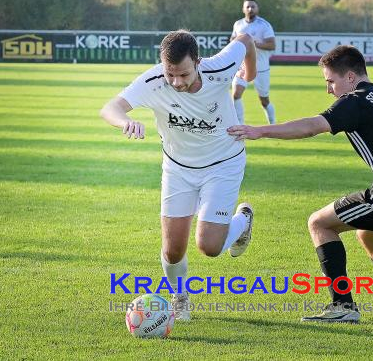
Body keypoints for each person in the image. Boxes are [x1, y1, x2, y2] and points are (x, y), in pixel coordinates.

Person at [228, 45, 373, 323]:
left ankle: (342, 306)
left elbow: (312, 126)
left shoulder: (355, 102)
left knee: (319, 223)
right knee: (368, 235)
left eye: (330, 81)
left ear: (349, 77)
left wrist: (259, 131)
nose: (329, 90)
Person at [100, 30, 257, 321]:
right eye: (171, 74)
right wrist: (125, 121)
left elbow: (246, 39)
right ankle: (180, 298)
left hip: (224, 164)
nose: (176, 82)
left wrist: (250, 73)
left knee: (209, 246)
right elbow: (110, 108)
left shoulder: (221, 67)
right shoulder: (153, 80)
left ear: (198, 62)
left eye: (183, 74)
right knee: (172, 251)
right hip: (178, 169)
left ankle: (243, 220)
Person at [231, 0, 276, 125]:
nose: (250, 9)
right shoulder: (238, 24)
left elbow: (272, 45)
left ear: (257, 9)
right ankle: (239, 125)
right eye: (248, 7)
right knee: (236, 94)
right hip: (243, 67)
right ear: (243, 9)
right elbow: (232, 40)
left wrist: (253, 44)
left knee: (264, 100)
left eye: (253, 6)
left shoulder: (264, 25)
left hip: (261, 68)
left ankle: (272, 124)